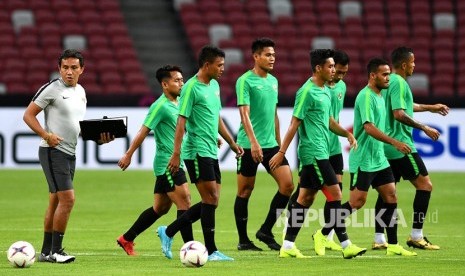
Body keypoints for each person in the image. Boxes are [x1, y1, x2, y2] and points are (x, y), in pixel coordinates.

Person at [269, 49, 365, 259]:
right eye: (330, 66)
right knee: (336, 195)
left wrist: (346, 134)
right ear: (318, 68)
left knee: (305, 198)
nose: (333, 70)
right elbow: (294, 123)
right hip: (313, 153)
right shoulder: (307, 91)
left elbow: (329, 121)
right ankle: (344, 243)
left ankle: (287, 245)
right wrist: (282, 151)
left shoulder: (324, 91)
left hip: (322, 151)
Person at [23, 49, 114, 263]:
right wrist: (46, 134)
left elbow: (76, 127)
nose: (69, 72)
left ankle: (46, 252)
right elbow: (28, 115)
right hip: (52, 151)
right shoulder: (51, 89)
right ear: (59, 69)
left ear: (82, 69)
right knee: (68, 199)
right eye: (65, 67)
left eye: (74, 67)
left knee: (55, 202)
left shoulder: (80, 91)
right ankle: (56, 251)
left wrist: (99, 139)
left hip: (69, 152)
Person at [157, 45, 244, 261]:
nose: (223, 69)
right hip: (195, 150)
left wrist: (232, 143)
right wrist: (176, 154)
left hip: (211, 150)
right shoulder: (191, 88)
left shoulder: (214, 86)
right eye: (220, 65)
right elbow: (181, 120)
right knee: (210, 198)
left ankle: (168, 231)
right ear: (207, 65)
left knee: (212, 200)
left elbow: (216, 118)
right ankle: (211, 250)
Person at [372, 47, 449, 250]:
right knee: (425, 185)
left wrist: (431, 107)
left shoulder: (391, 82)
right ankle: (416, 235)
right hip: (401, 145)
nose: (415, 65)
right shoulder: (399, 82)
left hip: (388, 145)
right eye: (413, 62)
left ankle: (379, 239)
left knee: (386, 192)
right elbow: (399, 114)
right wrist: (424, 127)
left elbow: (405, 105)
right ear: (405, 64)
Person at [116, 65, 193, 256]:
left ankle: (127, 238)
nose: (181, 83)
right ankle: (190, 248)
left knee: (160, 208)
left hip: (176, 161)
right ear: (165, 85)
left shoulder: (180, 102)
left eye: (182, 80)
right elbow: (143, 131)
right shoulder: (159, 106)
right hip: (167, 164)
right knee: (185, 203)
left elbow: (185, 126)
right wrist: (129, 154)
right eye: (177, 80)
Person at [343, 57, 417, 256]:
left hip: (379, 158)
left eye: (389, 74)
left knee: (391, 196)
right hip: (363, 159)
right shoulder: (366, 96)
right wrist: (394, 142)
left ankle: (392, 245)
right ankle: (324, 232)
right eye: (384, 74)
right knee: (357, 202)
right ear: (372, 75)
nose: (388, 78)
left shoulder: (380, 96)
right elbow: (368, 128)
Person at [234, 38, 294, 251]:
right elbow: (244, 113)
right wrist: (253, 142)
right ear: (256, 56)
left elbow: (274, 114)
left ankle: (265, 230)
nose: (272, 59)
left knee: (287, 185)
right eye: (268, 55)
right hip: (248, 145)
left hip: (270, 145)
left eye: (274, 55)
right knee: (245, 191)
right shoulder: (245, 81)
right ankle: (243, 241)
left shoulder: (273, 81)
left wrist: (279, 144)